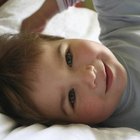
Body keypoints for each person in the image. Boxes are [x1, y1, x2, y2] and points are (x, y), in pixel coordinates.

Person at [0, 0, 140, 130]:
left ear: (65, 39)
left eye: (69, 58)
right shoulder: (122, 131)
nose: (88, 75)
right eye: (71, 97)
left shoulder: (124, 21)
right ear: (69, 124)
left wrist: (43, 14)